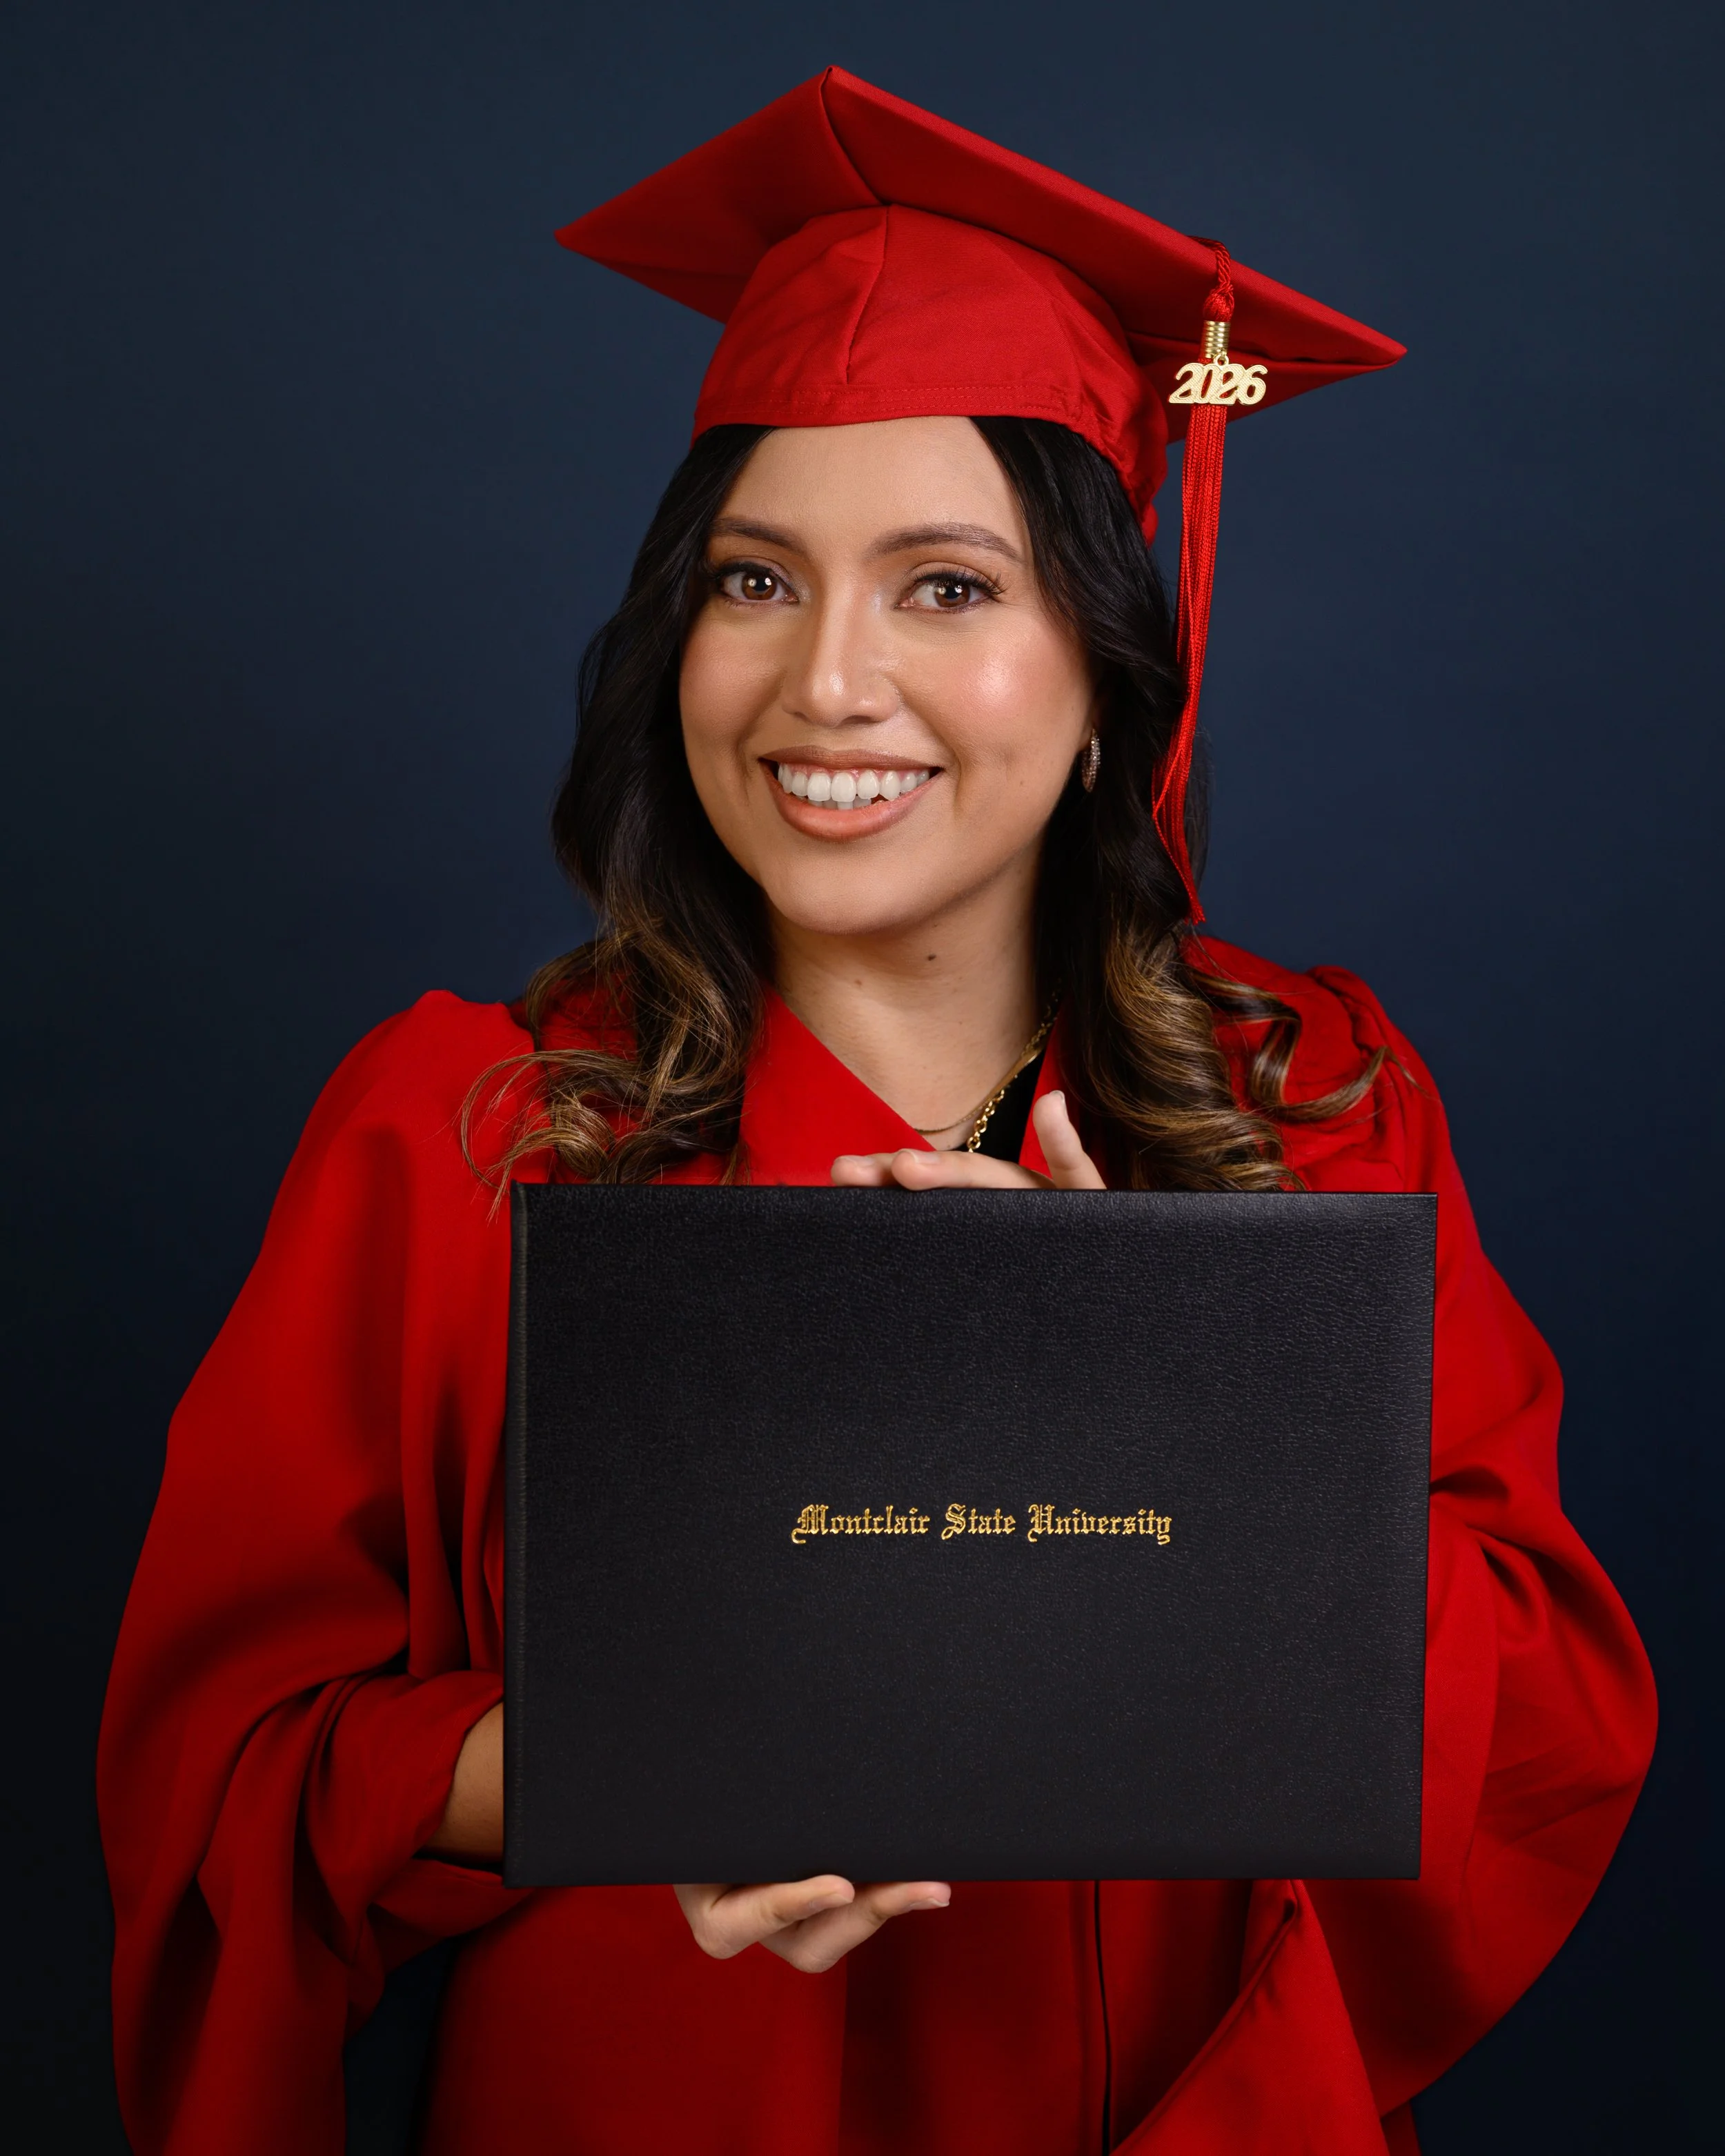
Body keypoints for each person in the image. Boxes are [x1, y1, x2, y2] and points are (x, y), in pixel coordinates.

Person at [98, 67, 1655, 2156]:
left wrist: (1171, 1401)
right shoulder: (477, 1131)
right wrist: (617, 1763)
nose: (823, 682)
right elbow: (234, 1762)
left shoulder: (1313, 1104)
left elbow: (1540, 1715)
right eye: (753, 581)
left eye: (944, 584)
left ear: (1108, 668)